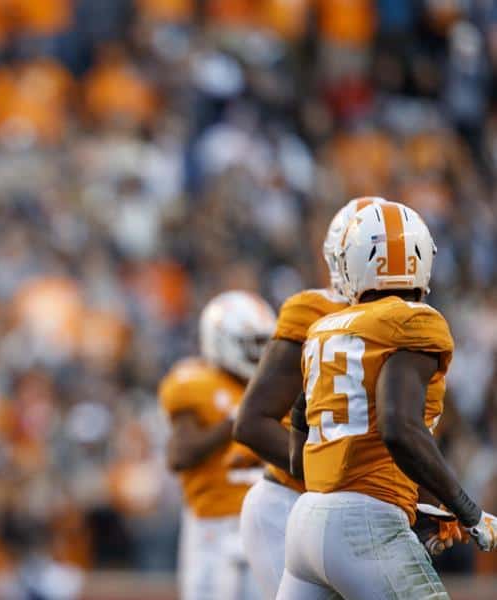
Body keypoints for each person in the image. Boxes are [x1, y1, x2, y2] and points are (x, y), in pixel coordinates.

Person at [277, 200, 497, 599]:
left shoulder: (324, 330)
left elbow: (298, 437)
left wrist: (413, 506)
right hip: (365, 528)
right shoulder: (414, 320)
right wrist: (468, 511)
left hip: (306, 523)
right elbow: (398, 428)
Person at [232, 197, 381, 598]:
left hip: (348, 510)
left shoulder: (412, 323)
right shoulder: (313, 309)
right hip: (289, 502)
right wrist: (338, 478)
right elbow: (251, 422)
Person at [158, 290, 275, 600]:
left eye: (265, 344)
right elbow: (179, 455)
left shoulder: (275, 388)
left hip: (266, 525)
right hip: (215, 528)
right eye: (253, 346)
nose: (260, 354)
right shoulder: (197, 383)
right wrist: (237, 420)